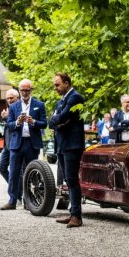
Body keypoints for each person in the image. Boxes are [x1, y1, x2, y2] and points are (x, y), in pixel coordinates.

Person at [1, 79, 47, 210]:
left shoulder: (39, 105)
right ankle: (12, 201)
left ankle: (29, 201)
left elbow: (44, 123)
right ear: (19, 91)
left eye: (27, 90)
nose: (25, 93)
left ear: (31, 90)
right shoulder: (13, 107)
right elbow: (9, 125)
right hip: (16, 144)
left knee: (32, 173)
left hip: (32, 144)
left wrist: (34, 122)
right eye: (22, 90)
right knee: (13, 173)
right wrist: (17, 122)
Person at [49, 72, 85, 228]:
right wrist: (57, 121)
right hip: (62, 145)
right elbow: (52, 122)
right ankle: (73, 213)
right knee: (68, 180)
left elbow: (63, 117)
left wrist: (58, 120)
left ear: (67, 83)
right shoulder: (61, 101)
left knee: (72, 179)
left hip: (72, 145)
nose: (55, 88)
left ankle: (77, 216)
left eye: (57, 84)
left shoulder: (75, 97)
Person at [0, 89, 19, 183]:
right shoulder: (8, 109)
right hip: (7, 144)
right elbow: (9, 127)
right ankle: (13, 186)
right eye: (7, 98)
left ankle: (17, 189)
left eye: (11, 98)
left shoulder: (19, 108)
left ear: (17, 98)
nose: (9, 100)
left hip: (16, 143)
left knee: (17, 170)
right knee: (1, 167)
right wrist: (2, 136)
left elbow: (17, 125)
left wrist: (6, 117)